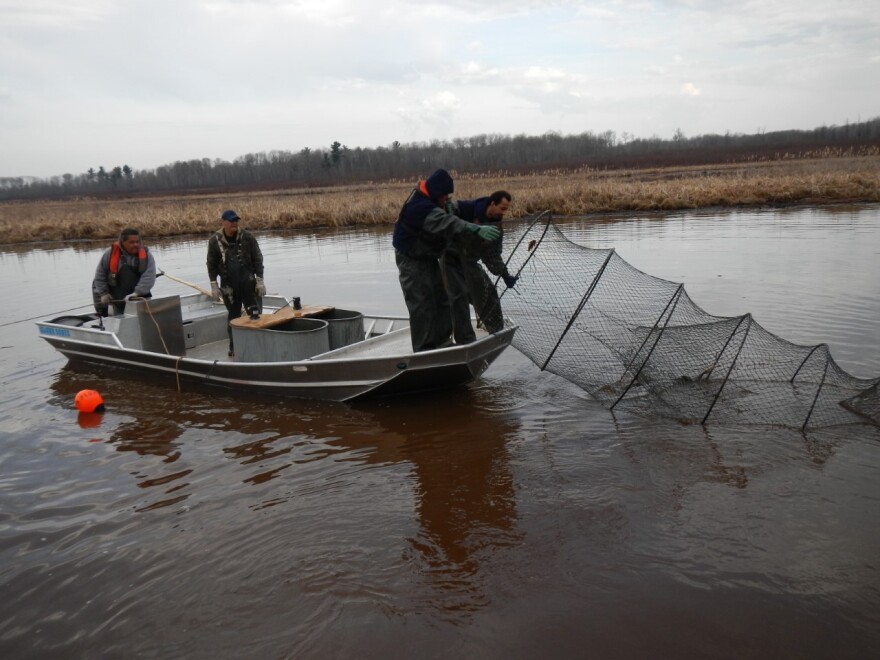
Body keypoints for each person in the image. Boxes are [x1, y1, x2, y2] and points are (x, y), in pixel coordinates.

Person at [392, 169, 500, 352]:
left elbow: (450, 212)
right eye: (444, 196)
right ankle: (424, 350)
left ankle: (443, 344)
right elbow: (447, 223)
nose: (446, 199)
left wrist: (452, 208)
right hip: (410, 259)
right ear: (436, 193)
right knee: (421, 305)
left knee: (441, 299)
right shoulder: (420, 207)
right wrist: (474, 228)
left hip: (427, 257)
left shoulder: (430, 199)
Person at [442, 191, 517, 339]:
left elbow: (492, 256)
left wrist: (505, 275)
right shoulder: (466, 208)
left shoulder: (497, 226)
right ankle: (464, 341)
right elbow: (443, 218)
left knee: (489, 293)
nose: (504, 213)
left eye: (506, 209)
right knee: (459, 298)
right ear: (492, 204)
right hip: (450, 260)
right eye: (502, 208)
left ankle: (496, 332)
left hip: (469, 263)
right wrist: (448, 210)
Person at [206, 209, 266, 357]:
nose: (234, 223)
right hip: (228, 286)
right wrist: (213, 284)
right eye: (231, 220)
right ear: (223, 222)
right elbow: (211, 264)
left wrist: (260, 280)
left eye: (236, 220)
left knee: (255, 313)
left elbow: (258, 258)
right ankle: (234, 347)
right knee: (233, 316)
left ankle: (260, 346)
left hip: (249, 283)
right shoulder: (214, 240)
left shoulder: (247, 237)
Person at [92, 227, 157, 317]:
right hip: (117, 301)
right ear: (122, 242)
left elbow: (149, 277)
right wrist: (104, 294)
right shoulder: (109, 254)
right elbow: (100, 276)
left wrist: (136, 293)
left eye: (137, 242)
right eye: (131, 242)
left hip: (141, 299)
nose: (136, 245)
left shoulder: (146, 255)